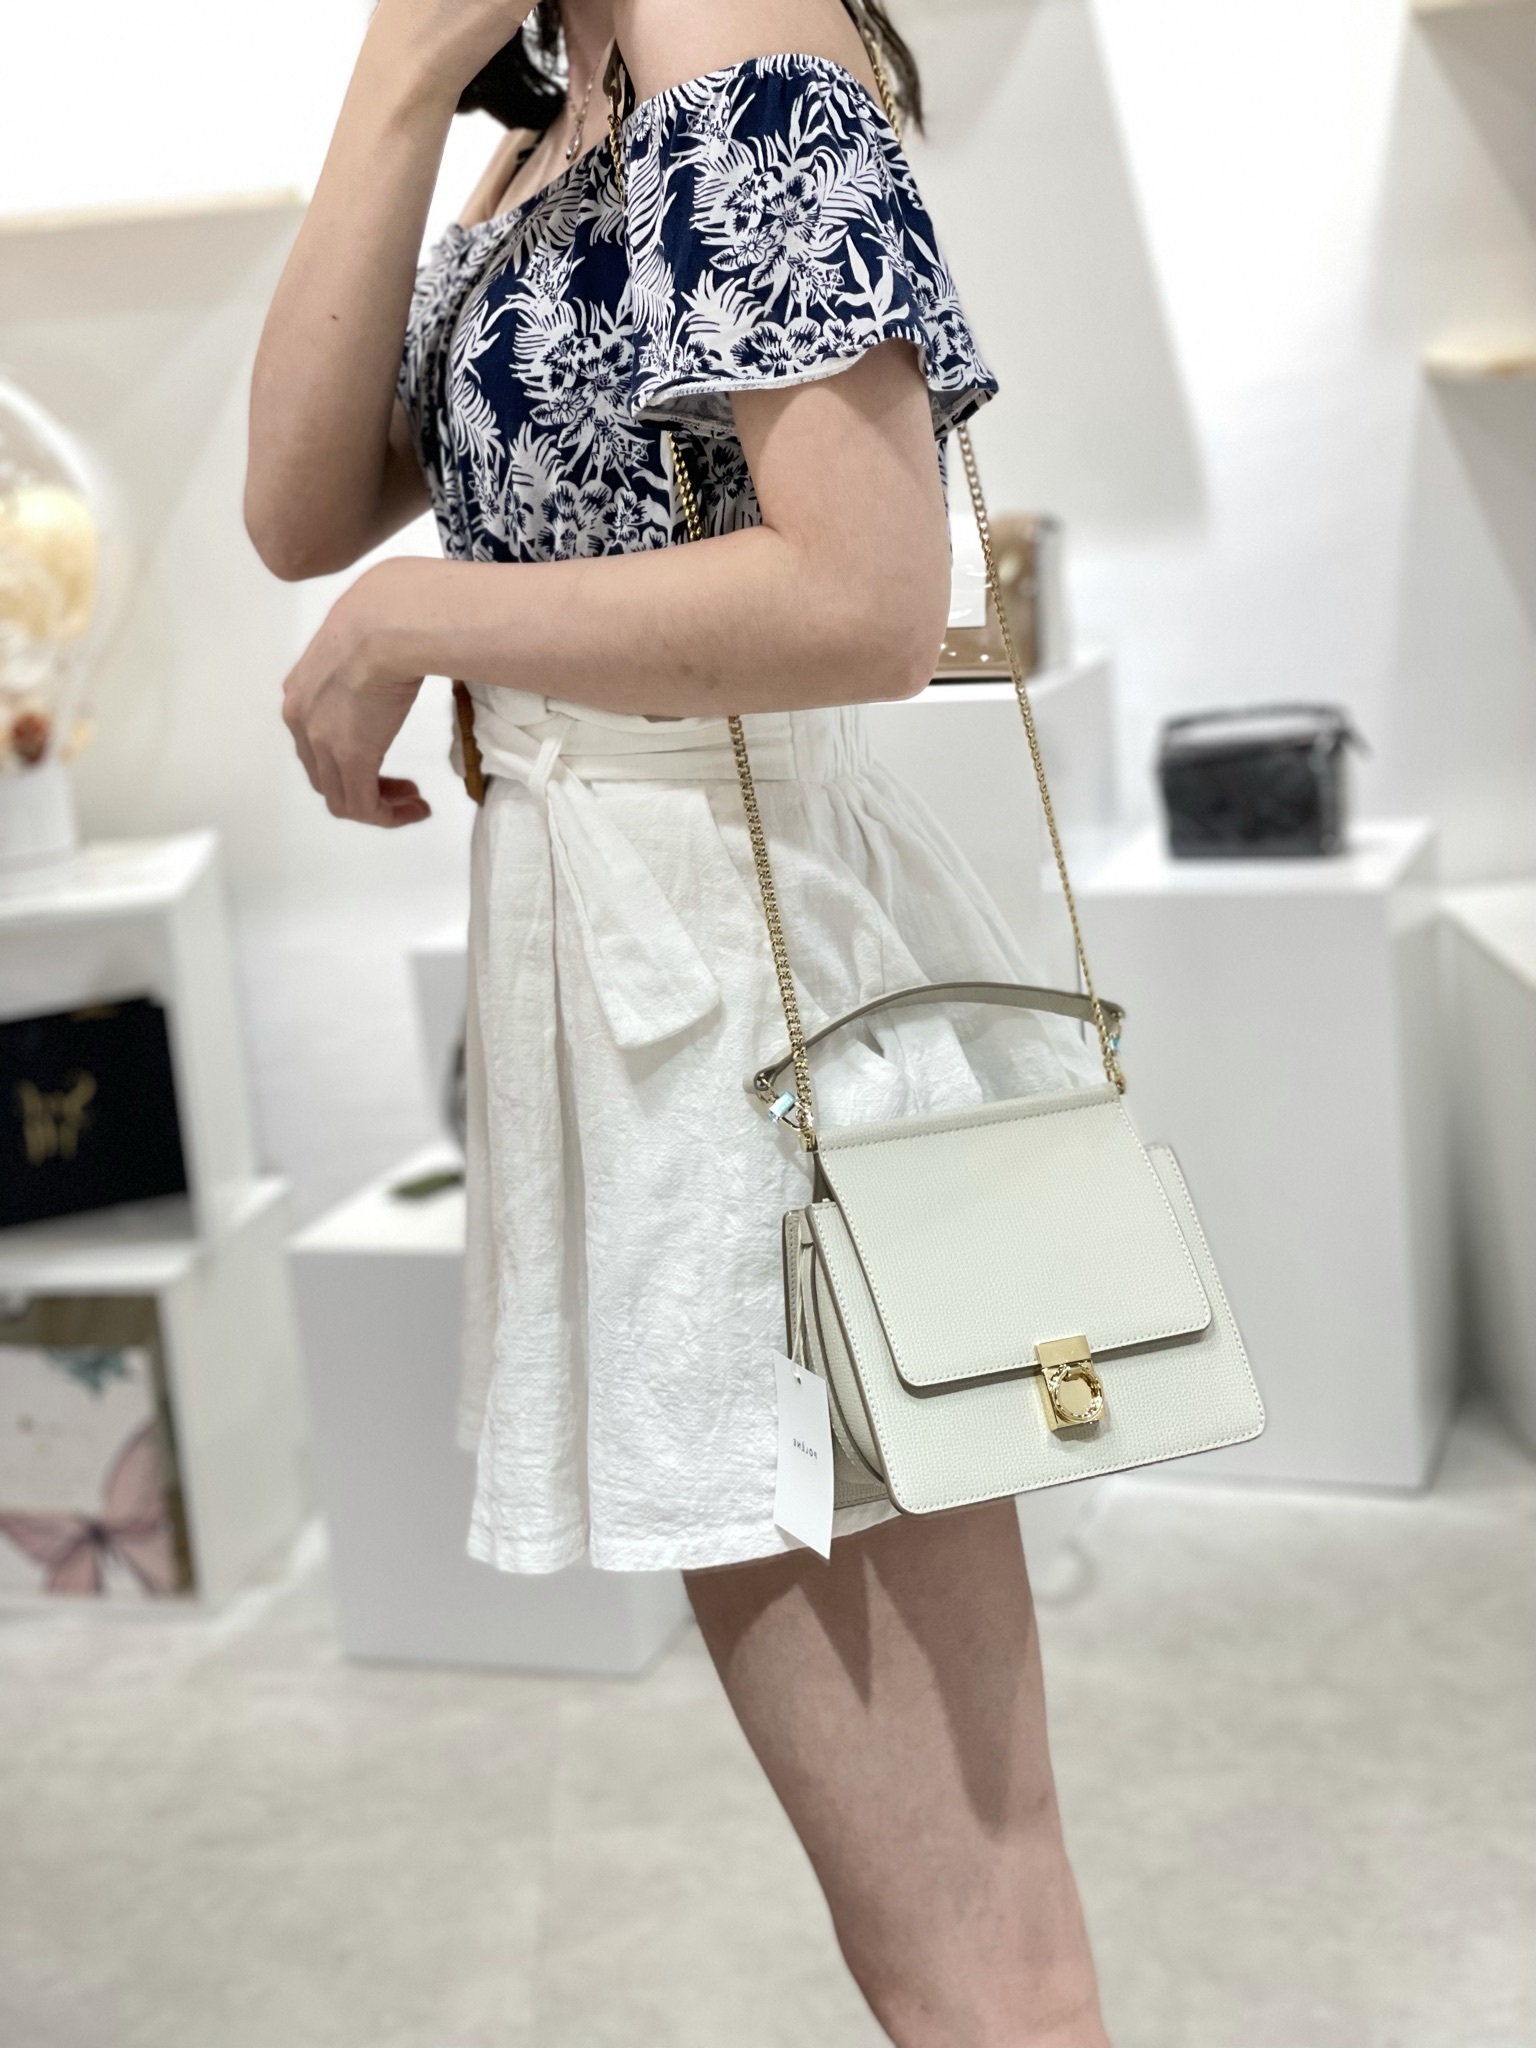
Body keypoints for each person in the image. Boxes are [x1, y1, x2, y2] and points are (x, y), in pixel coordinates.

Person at [246, 1, 1109, 2040]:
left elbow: (865, 600)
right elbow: (297, 503)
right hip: (657, 982)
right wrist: (401, 73)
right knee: (946, 1914)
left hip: (745, 992)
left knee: (967, 1934)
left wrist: (411, 614)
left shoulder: (723, 19)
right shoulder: (568, 99)